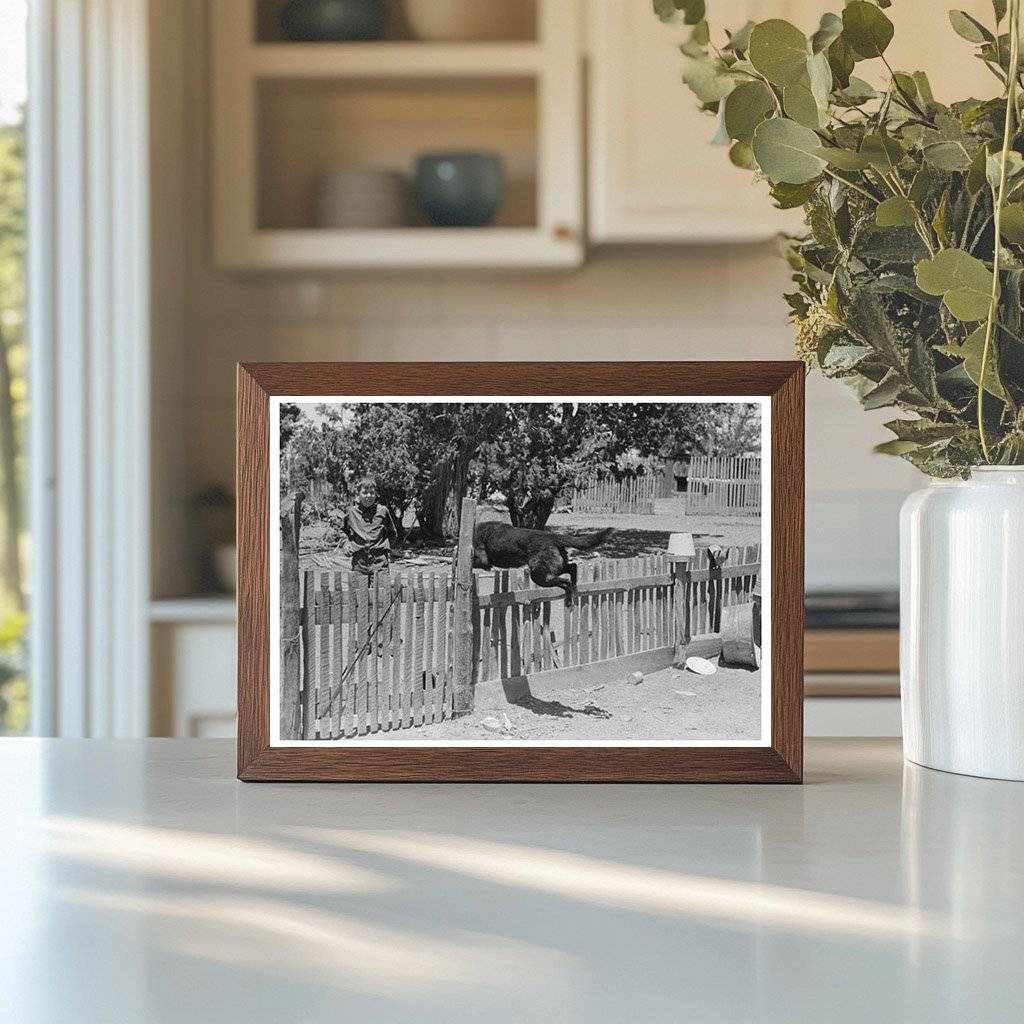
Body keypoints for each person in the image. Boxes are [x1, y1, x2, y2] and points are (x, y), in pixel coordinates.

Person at [340, 477, 400, 578]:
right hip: (359, 563)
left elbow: (392, 533)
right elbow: (342, 531)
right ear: (358, 493)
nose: (369, 496)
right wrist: (346, 544)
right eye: (365, 492)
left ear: (376, 494)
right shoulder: (352, 512)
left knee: (381, 591)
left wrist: (384, 549)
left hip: (379, 563)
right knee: (359, 592)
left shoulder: (383, 511)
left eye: (372, 493)